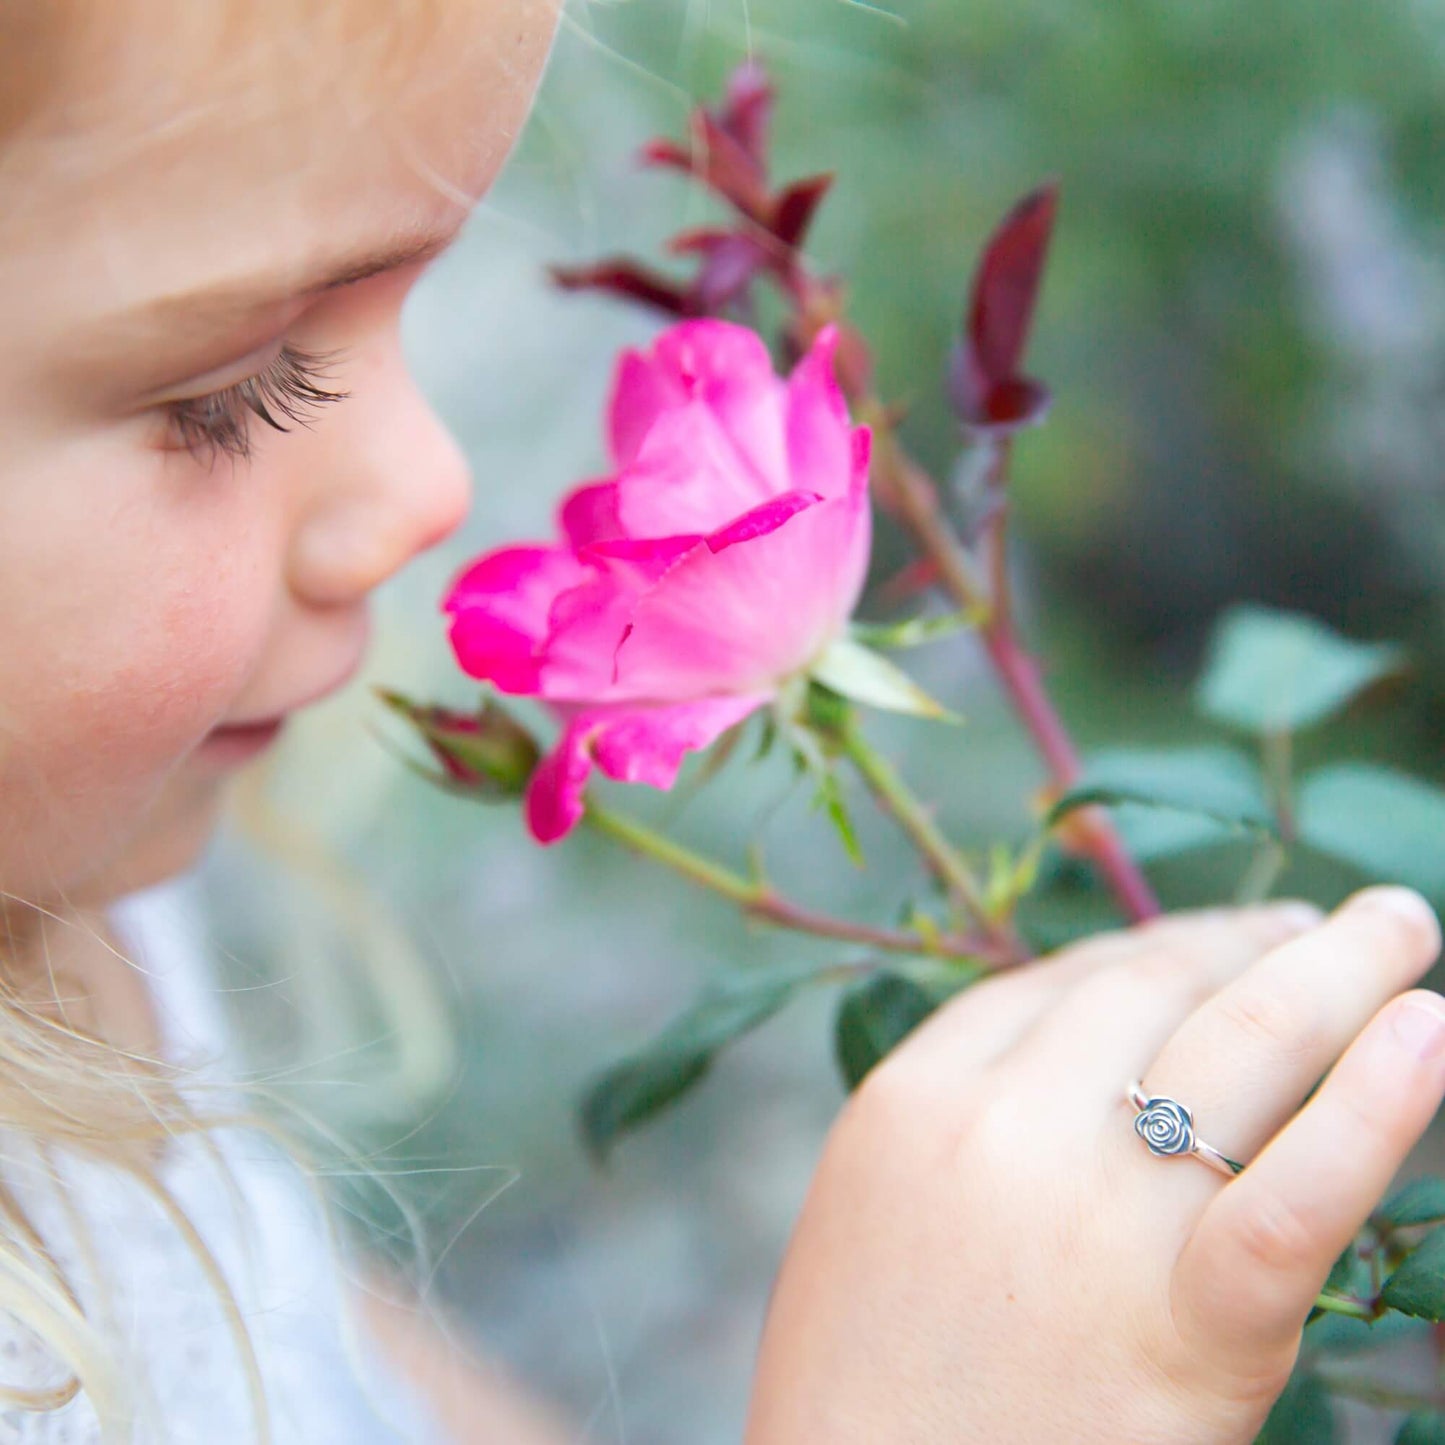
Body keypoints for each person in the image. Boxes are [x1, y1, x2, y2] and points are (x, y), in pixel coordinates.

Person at [1, 2, 1442, 1440]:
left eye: (403, 302)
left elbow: (308, 1360)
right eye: (229, 390)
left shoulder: (80, 906)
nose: (431, 485)